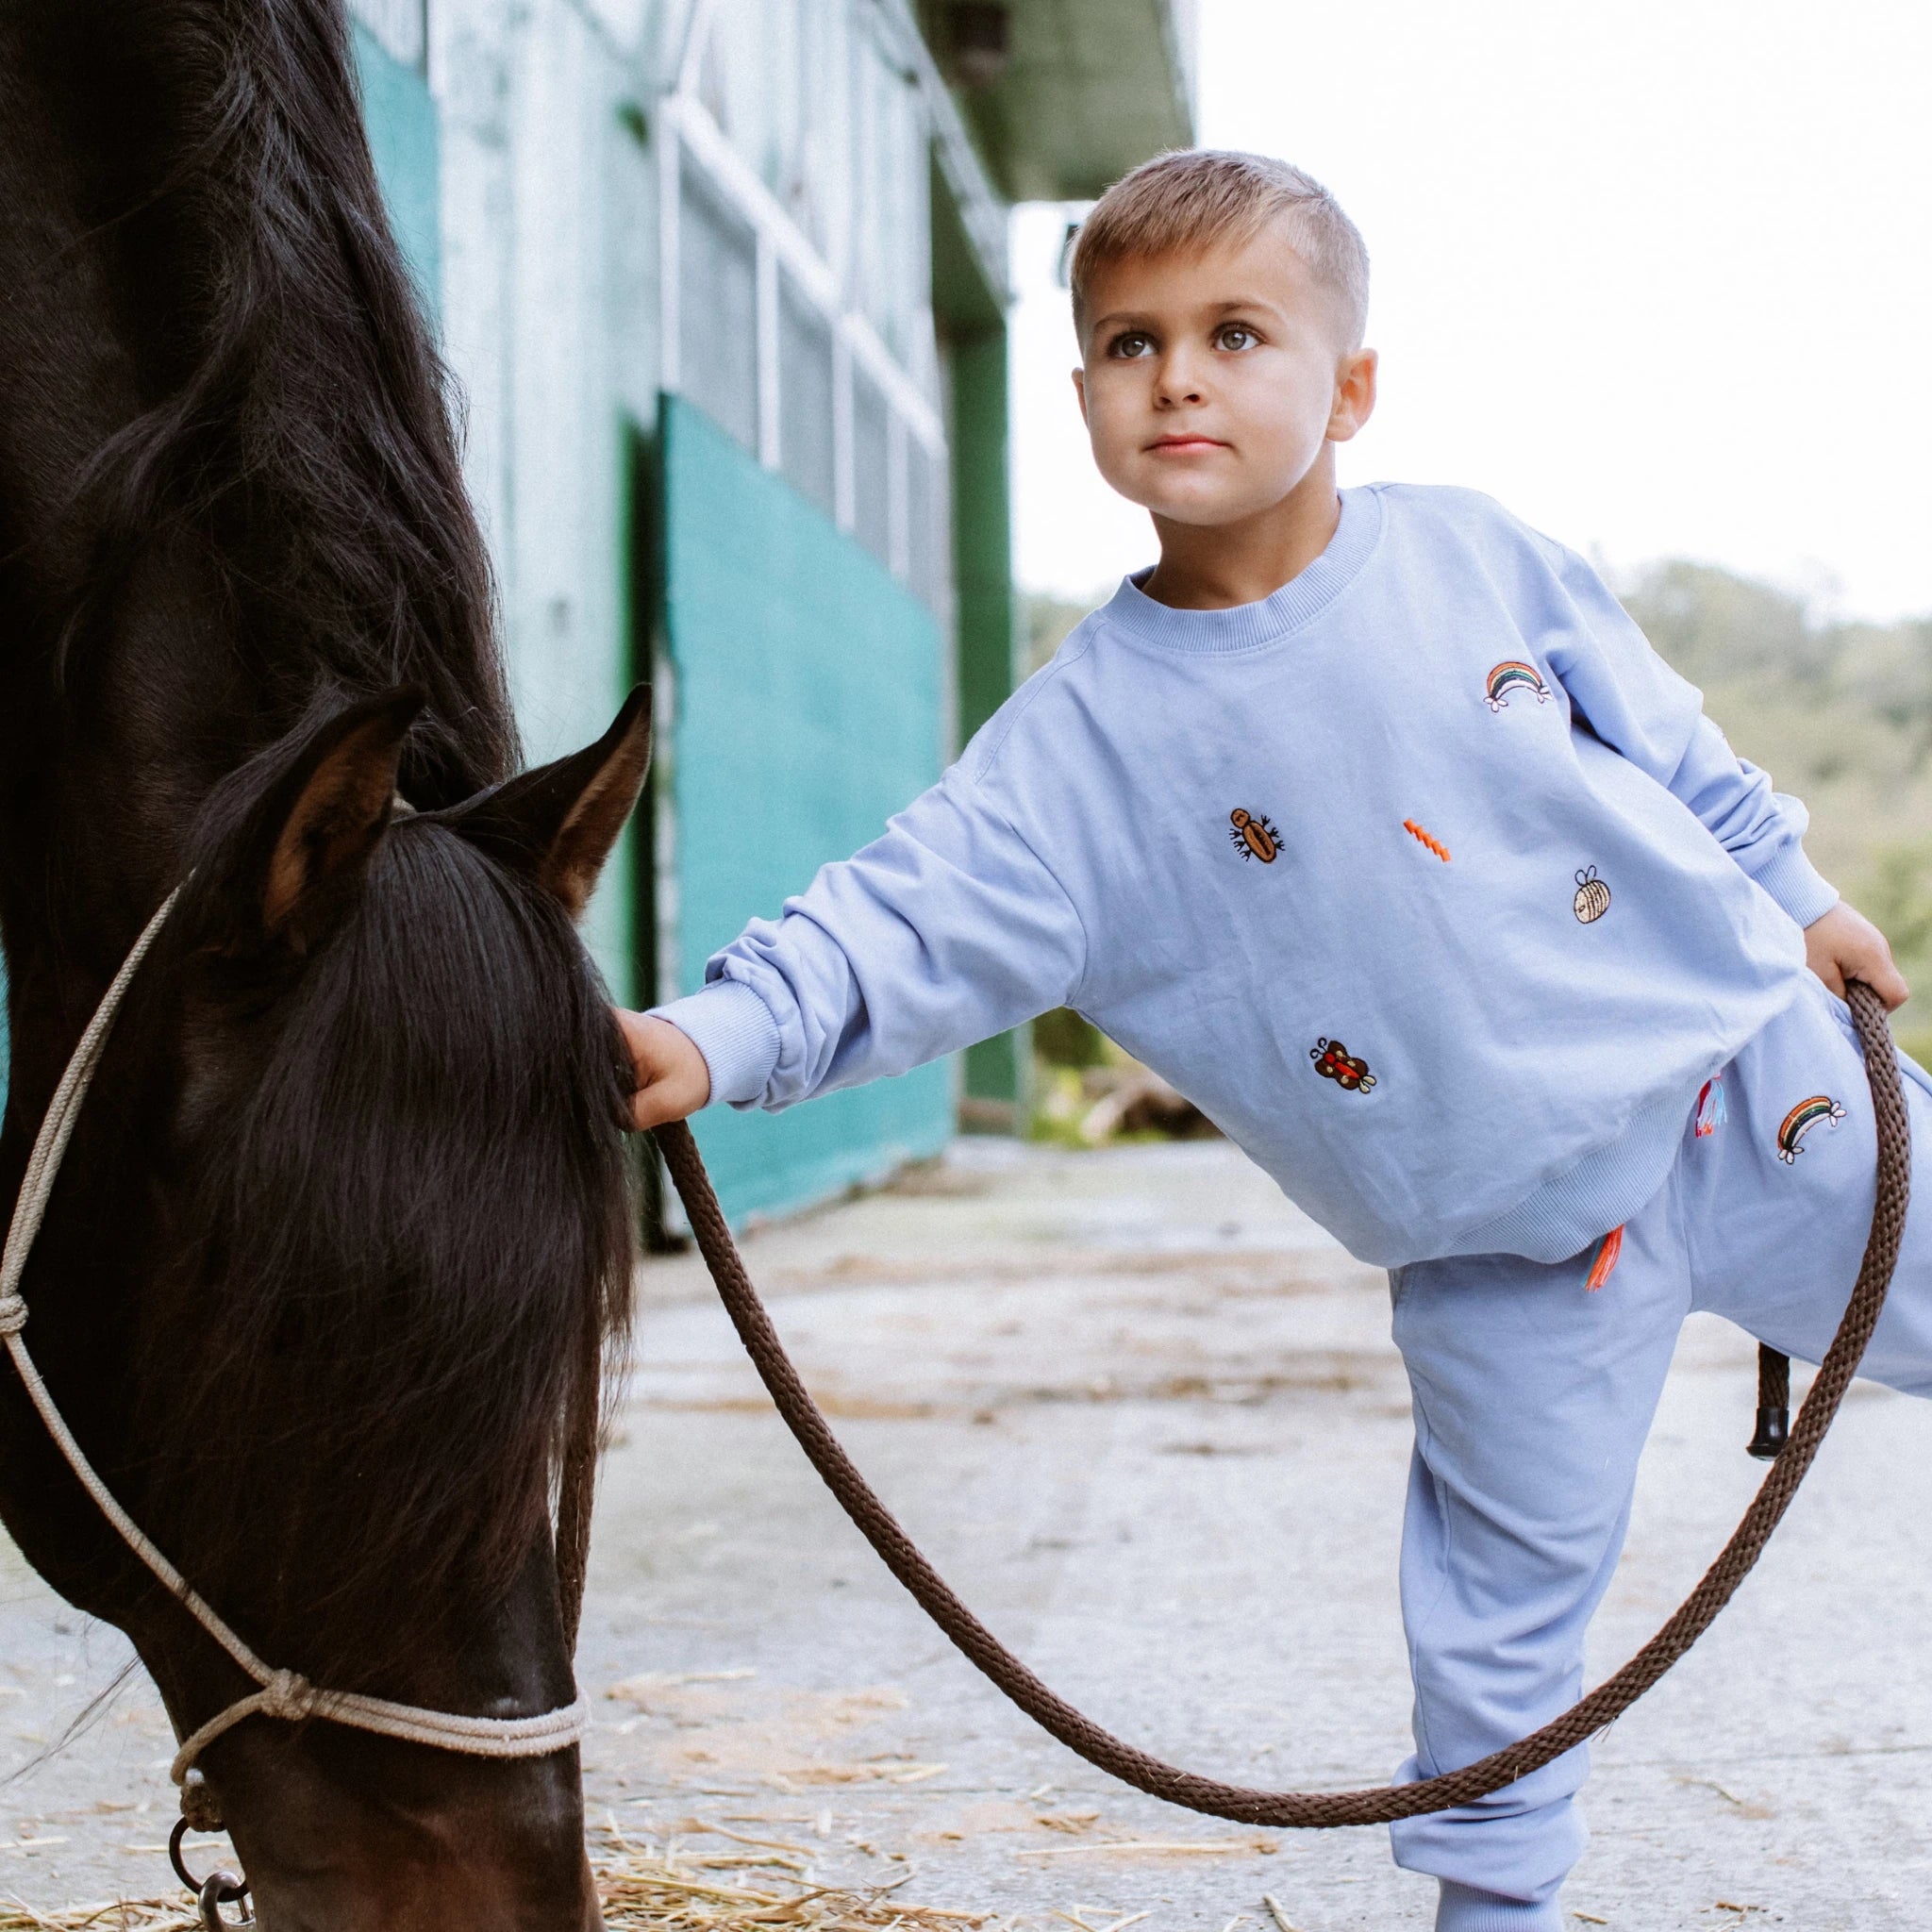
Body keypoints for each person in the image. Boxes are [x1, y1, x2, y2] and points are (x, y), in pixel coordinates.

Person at [616, 150, 1926, 1930]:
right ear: (1081, 388)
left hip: (1750, 1083)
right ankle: (1500, 1915)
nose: (1179, 377)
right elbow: (898, 919)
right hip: (1505, 1254)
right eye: (1127, 341)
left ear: (1351, 384)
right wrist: (713, 1033)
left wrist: (1804, 895)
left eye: (1236, 333)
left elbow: (1674, 745)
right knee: (1493, 1638)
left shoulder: (1479, 558)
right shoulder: (1076, 758)